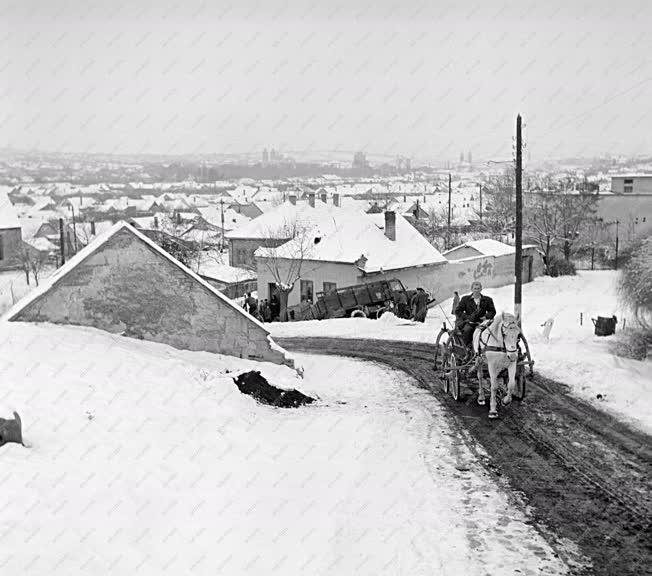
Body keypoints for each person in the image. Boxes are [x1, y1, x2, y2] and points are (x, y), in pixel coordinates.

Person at [455, 281, 496, 349]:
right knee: (467, 330)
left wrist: (485, 316)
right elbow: (458, 311)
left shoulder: (487, 300)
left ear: (481, 289)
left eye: (478, 288)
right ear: (471, 289)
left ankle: (486, 348)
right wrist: (468, 317)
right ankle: (468, 348)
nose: (476, 290)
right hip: (469, 322)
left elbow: (492, 311)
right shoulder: (465, 299)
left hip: (482, 323)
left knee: (490, 332)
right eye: (475, 288)